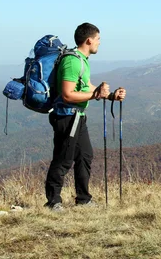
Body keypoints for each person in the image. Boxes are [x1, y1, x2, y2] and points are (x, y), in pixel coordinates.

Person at [44, 22, 126, 211]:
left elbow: (86, 86)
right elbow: (67, 94)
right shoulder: (72, 61)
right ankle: (53, 201)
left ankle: (83, 199)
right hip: (67, 117)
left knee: (85, 156)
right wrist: (96, 95)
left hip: (78, 116)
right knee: (63, 159)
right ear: (89, 40)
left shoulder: (81, 60)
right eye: (98, 39)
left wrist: (111, 95)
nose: (99, 43)